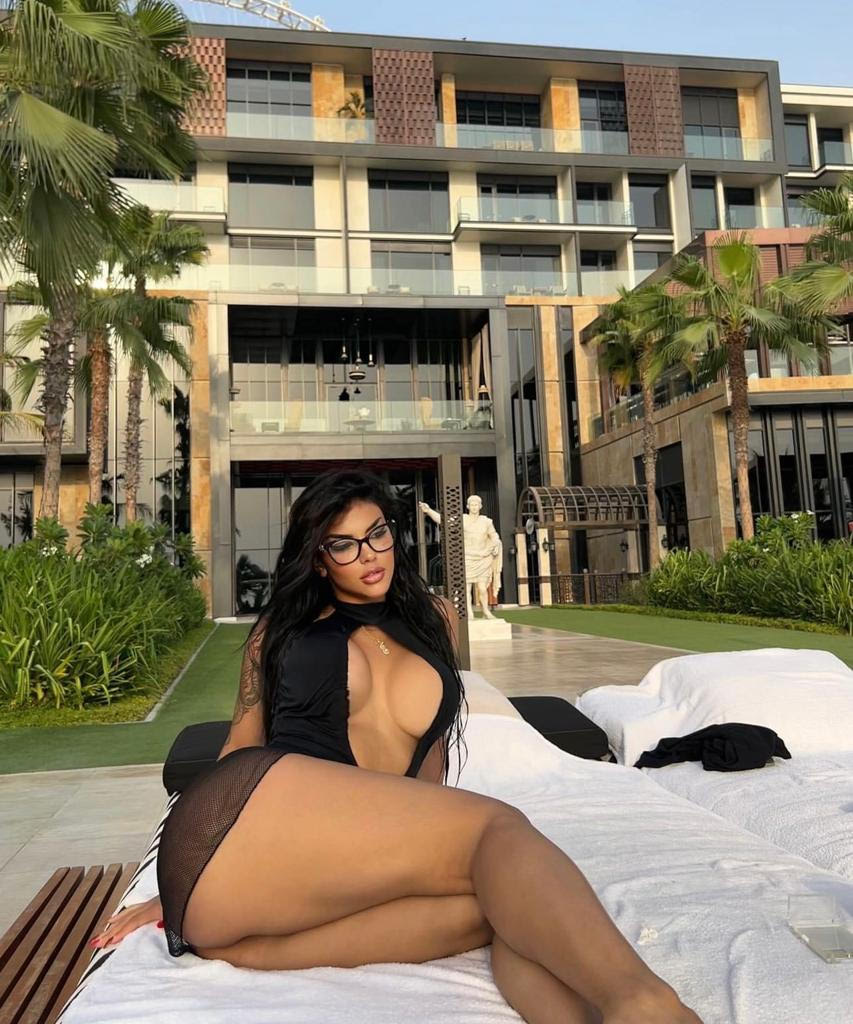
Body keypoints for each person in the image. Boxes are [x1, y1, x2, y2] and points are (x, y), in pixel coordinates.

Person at [88, 470, 701, 1024]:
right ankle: (647, 1004)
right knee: (497, 829)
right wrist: (173, 885)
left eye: (377, 534)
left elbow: (429, 761)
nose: (369, 555)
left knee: (507, 906)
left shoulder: (437, 618)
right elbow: (240, 747)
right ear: (318, 559)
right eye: (344, 545)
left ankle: (240, 950)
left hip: (322, 870)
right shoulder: (280, 632)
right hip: (253, 833)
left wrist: (428, 841)